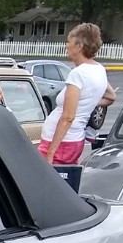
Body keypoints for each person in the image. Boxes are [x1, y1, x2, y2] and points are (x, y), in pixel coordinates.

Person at [39, 23, 116, 165]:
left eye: (69, 42)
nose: (66, 46)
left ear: (79, 46)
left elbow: (68, 117)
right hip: (74, 140)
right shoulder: (98, 69)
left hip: (61, 143)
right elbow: (111, 97)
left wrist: (51, 153)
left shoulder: (78, 74)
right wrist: (86, 103)